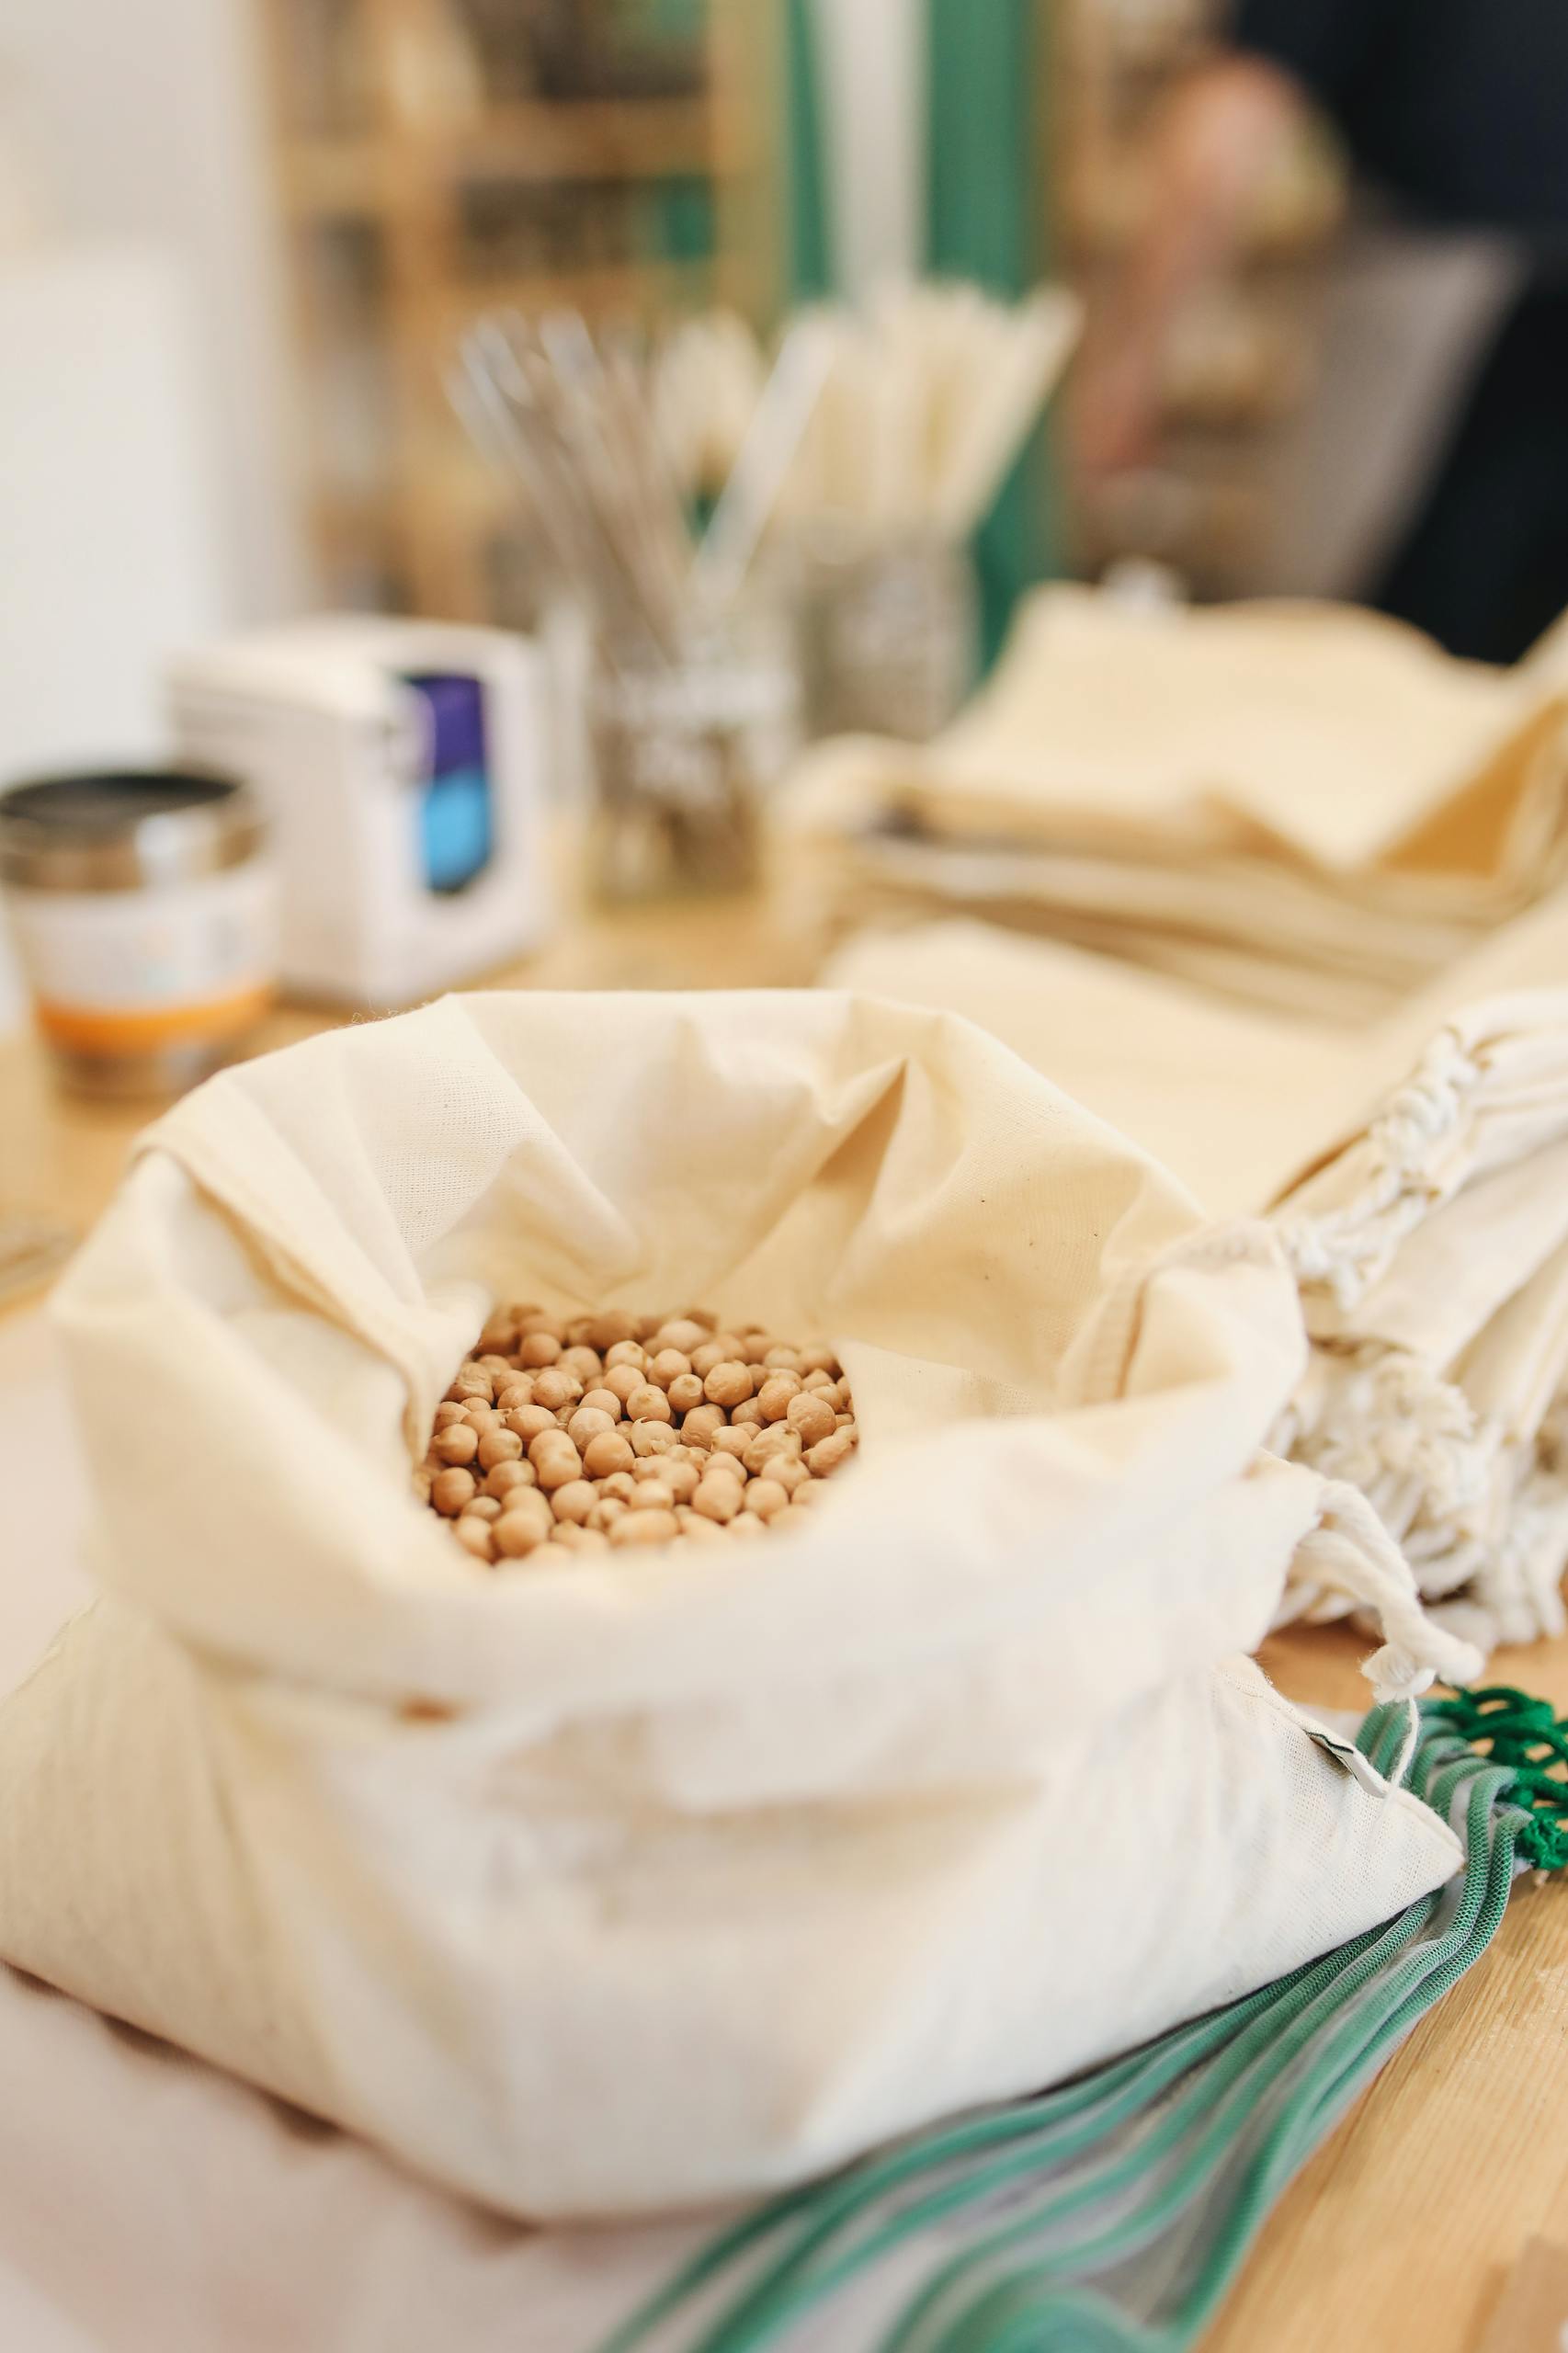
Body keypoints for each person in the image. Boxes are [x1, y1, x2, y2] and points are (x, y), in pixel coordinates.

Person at [1071, 0, 1568, 663]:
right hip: (1487, 271)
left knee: (1319, 639)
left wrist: (1123, 381)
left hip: (1453, 283)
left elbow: (1226, 130)